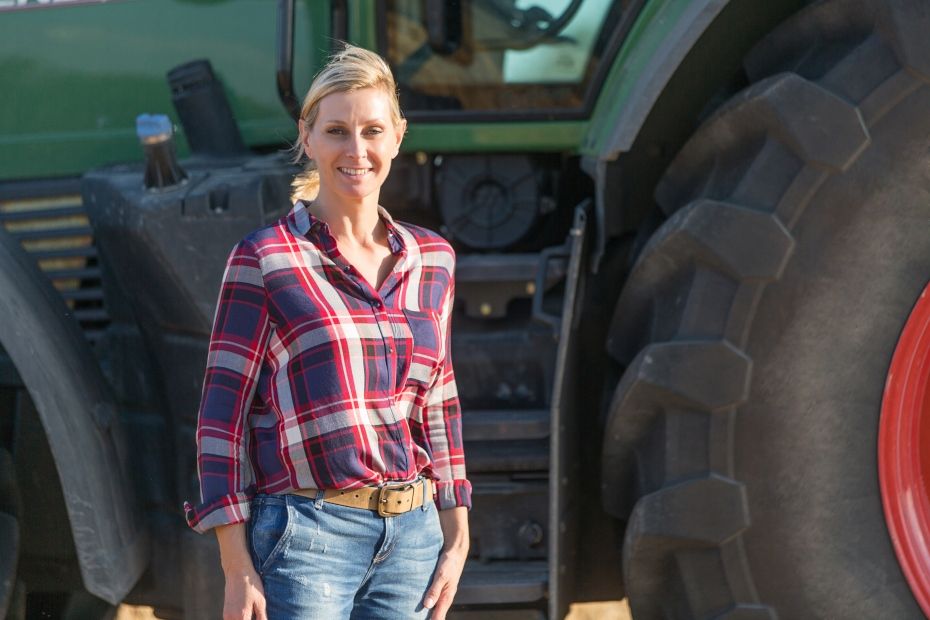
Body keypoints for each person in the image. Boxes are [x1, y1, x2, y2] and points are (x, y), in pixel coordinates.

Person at [184, 43, 471, 620]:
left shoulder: (433, 259)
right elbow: (222, 418)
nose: (357, 150)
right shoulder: (266, 258)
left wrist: (457, 536)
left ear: (397, 136)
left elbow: (438, 404)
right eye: (337, 130)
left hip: (413, 539)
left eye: (372, 130)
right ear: (307, 137)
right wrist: (237, 567)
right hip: (306, 538)